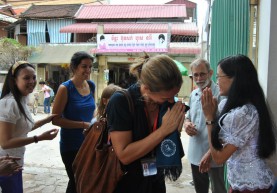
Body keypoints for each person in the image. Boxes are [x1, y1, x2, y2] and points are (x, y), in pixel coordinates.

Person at [106, 54, 186, 193]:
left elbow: (163, 145)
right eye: (166, 97)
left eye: (174, 95)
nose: (171, 101)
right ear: (147, 88)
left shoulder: (165, 104)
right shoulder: (121, 102)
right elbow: (124, 155)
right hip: (125, 183)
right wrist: (164, 130)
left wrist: (175, 130)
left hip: (154, 180)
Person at [201, 55, 277, 193]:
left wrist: (209, 117)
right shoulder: (240, 107)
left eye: (218, 77)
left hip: (252, 187)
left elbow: (219, 158)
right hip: (241, 184)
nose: (216, 82)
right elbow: (226, 139)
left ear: (235, 79)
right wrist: (209, 153)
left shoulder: (245, 113)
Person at [0, 61, 59, 192]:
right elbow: (5, 142)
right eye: (26, 78)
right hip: (5, 163)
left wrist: (46, 120)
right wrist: (38, 138)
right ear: (14, 80)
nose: (32, 81)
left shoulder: (22, 99)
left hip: (15, 162)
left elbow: (23, 128)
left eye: (34, 77)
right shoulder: (8, 103)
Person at [52, 51, 96, 193]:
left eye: (90, 66)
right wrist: (83, 125)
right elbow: (55, 119)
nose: (88, 70)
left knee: (86, 182)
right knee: (76, 181)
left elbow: (92, 111)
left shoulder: (91, 85)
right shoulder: (65, 88)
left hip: (89, 143)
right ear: (74, 67)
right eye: (84, 66)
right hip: (71, 145)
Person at [184, 59, 226, 193]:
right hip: (195, 152)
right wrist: (186, 124)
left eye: (202, 74)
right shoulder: (193, 94)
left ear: (211, 73)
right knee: (200, 189)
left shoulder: (220, 95)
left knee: (218, 188)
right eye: (195, 75)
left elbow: (225, 129)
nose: (199, 78)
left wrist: (210, 153)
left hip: (213, 153)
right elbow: (188, 116)